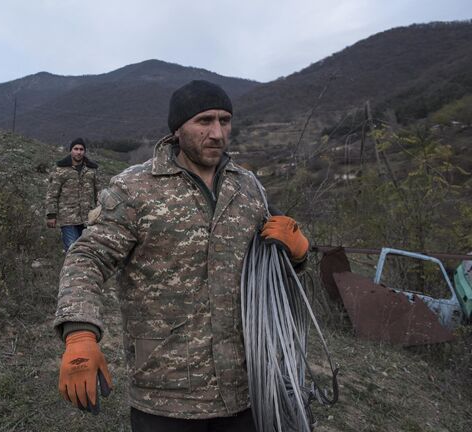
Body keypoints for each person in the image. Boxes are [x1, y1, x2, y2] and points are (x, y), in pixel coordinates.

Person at [53, 80, 309, 431]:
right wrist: (79, 331)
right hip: (166, 396)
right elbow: (87, 257)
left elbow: (274, 259)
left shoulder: (248, 188)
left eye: (225, 120)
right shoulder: (135, 188)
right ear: (178, 128)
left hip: (245, 390)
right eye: (204, 121)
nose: (217, 133)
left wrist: (299, 254)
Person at [45, 138, 100, 252]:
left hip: (88, 218)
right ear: (71, 150)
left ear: (84, 151)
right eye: (76, 149)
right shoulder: (60, 170)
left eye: (81, 149)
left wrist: (100, 212)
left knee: (86, 251)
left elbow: (98, 193)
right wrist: (51, 215)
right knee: (72, 250)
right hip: (68, 218)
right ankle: (70, 270)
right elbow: (52, 193)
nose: (78, 152)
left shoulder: (92, 170)